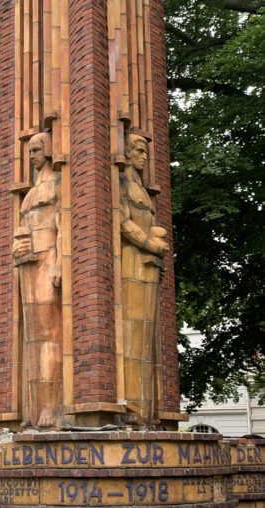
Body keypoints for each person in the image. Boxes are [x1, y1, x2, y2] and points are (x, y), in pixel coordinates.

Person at [12, 132, 62, 428]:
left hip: (49, 257)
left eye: (36, 150)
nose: (31, 156)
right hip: (28, 263)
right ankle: (35, 408)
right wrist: (16, 247)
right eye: (29, 151)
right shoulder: (30, 193)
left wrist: (59, 261)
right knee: (34, 337)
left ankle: (51, 407)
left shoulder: (59, 182)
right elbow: (21, 229)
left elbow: (63, 221)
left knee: (50, 334)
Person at [120, 133, 169, 427]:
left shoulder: (141, 187)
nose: (145, 156)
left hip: (148, 263)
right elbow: (121, 219)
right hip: (130, 262)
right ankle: (133, 412)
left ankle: (145, 414)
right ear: (125, 152)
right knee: (133, 333)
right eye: (139, 149)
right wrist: (149, 243)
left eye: (146, 150)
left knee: (146, 336)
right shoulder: (123, 182)